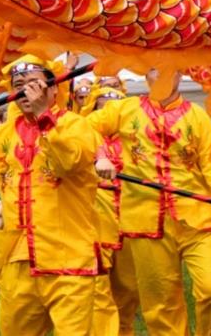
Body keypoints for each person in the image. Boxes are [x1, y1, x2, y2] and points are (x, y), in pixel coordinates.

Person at [0, 54, 100, 335]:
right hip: (18, 259)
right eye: (18, 85)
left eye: (33, 84)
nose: (25, 91)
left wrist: (43, 116)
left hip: (68, 258)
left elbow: (68, 162)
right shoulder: (4, 133)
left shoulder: (77, 125)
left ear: (53, 88)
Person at [86, 69, 211, 336]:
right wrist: (101, 155)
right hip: (145, 221)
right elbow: (81, 127)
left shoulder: (198, 117)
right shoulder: (125, 109)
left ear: (180, 74)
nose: (164, 73)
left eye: (171, 66)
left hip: (197, 218)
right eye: (157, 67)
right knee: (161, 306)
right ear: (146, 73)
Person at [83, 83, 139, 336]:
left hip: (132, 215)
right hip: (97, 216)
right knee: (98, 284)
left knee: (129, 287)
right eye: (103, 106)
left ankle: (124, 330)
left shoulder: (136, 138)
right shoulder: (83, 136)